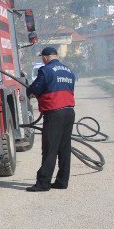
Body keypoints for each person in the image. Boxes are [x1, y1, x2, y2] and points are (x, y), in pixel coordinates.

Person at [25, 47, 76, 191]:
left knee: (49, 149)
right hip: (69, 112)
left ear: (46, 57)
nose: (42, 59)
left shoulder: (46, 70)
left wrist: (29, 92)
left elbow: (36, 87)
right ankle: (62, 181)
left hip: (55, 113)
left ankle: (43, 183)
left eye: (43, 57)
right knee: (64, 148)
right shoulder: (68, 70)